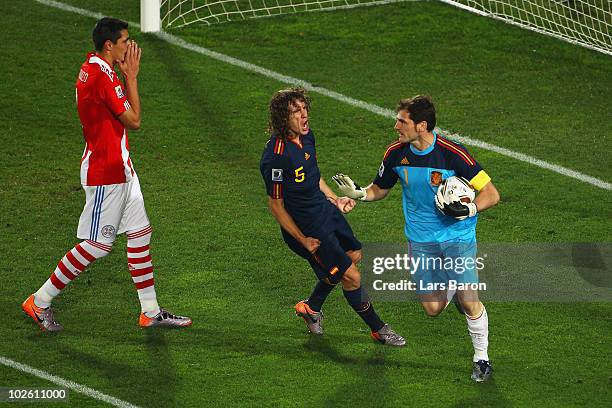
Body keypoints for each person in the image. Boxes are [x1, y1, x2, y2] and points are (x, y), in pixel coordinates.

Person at [21, 17, 191, 331]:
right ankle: (39, 301)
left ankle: (150, 312)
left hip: (121, 168)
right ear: (109, 45)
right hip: (106, 172)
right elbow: (134, 120)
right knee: (98, 246)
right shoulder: (103, 75)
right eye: (125, 41)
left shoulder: (96, 66)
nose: (129, 46)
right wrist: (133, 77)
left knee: (140, 233)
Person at [333, 95, 500, 381]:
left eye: (402, 121)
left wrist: (469, 208)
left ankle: (481, 359)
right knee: (433, 309)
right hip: (420, 240)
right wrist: (359, 194)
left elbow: (491, 194)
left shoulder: (453, 154)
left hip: (456, 237)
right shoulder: (396, 154)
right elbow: (380, 188)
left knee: (470, 299)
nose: (396, 126)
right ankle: (455, 290)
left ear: (421, 126)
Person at [259, 87, 405, 346]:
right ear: (283, 118)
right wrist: (303, 240)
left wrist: (334, 199)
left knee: (353, 256)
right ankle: (378, 328)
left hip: (325, 211)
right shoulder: (276, 157)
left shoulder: (307, 137)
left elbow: (314, 177)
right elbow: (276, 206)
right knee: (351, 276)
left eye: (305, 109)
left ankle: (311, 308)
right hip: (307, 227)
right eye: (296, 112)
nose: (304, 116)